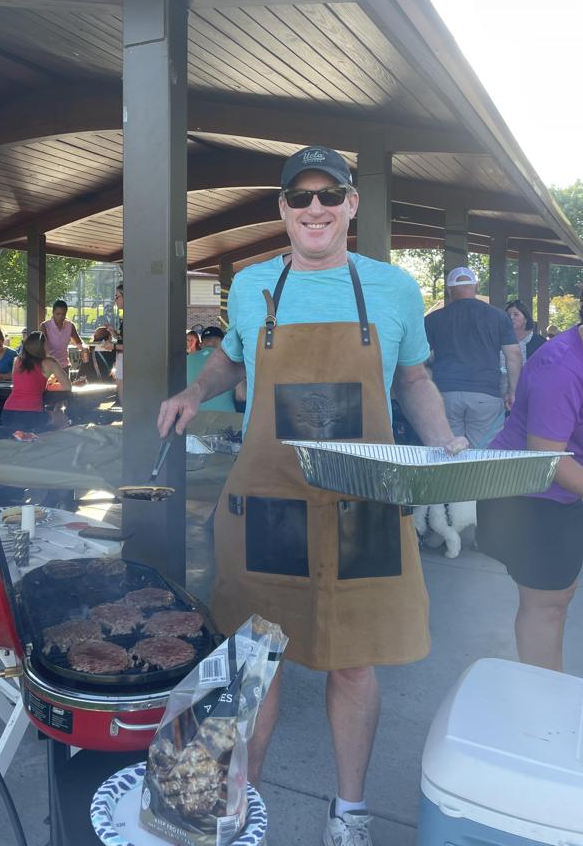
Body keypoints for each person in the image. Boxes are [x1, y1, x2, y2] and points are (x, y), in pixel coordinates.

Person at [158, 146, 467, 846]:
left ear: (352, 205)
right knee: (256, 660)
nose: (315, 209)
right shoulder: (252, 287)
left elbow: (414, 379)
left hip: (364, 504)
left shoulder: (391, 289)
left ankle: (350, 813)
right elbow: (232, 355)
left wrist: (446, 440)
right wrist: (194, 391)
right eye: (300, 197)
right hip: (269, 499)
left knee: (354, 661)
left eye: (330, 195)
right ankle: (241, 805)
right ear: (283, 211)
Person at [477, 298, 583, 672]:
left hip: (568, 492)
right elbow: (548, 458)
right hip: (530, 495)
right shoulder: (562, 366)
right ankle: (543, 703)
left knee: (562, 592)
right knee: (547, 604)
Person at [424, 267, 521, 446]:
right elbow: (513, 355)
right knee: (482, 456)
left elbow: (419, 359)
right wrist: (512, 391)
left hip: (445, 394)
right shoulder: (498, 316)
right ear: (476, 286)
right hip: (486, 394)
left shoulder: (433, 319)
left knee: (449, 452)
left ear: (448, 289)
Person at [3, 330, 73, 431]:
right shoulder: (49, 362)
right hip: (31, 414)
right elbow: (68, 386)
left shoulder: (17, 360)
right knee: (63, 419)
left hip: (8, 412)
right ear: (43, 346)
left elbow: (23, 384)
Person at [186, 326, 236, 413]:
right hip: (226, 418)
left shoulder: (186, 360)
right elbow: (242, 395)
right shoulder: (232, 360)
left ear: (202, 343)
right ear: (222, 341)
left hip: (193, 417)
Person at [41, 299, 82, 370]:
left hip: (64, 365)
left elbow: (79, 344)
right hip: (49, 366)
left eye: (63, 314)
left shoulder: (70, 325)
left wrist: (84, 348)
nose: (60, 317)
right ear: (53, 313)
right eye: (58, 314)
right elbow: (42, 347)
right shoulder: (45, 326)